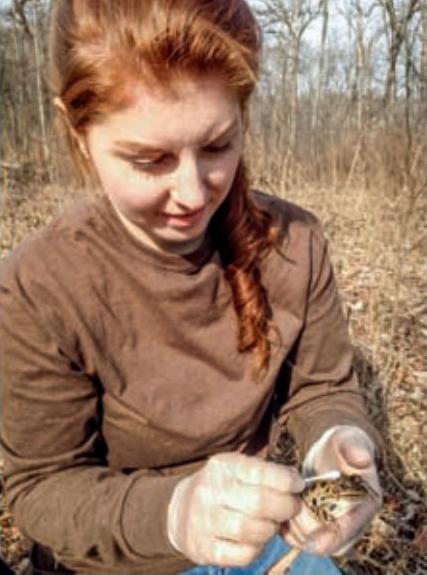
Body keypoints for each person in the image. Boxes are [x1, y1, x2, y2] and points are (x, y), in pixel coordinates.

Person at [0, 1, 383, 574]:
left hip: (264, 544)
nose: (193, 194)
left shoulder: (294, 245)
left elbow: (322, 387)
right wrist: (175, 513)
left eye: (217, 146)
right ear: (79, 134)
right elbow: (43, 487)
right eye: (149, 159)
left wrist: (336, 439)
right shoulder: (39, 287)